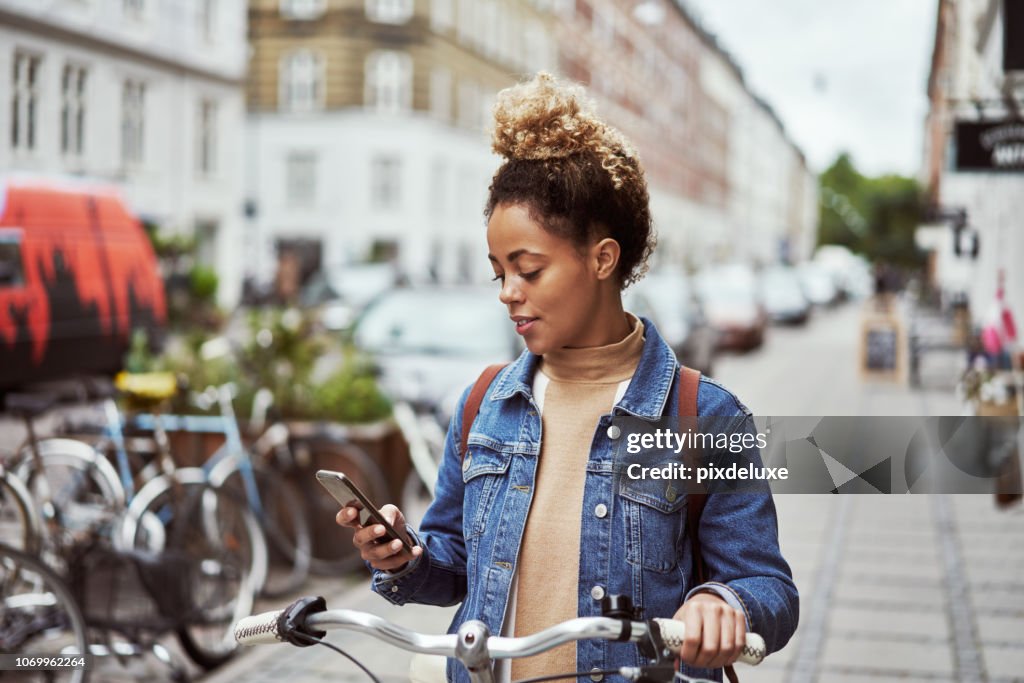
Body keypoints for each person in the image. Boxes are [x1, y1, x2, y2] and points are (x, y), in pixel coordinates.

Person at [337, 72, 798, 683]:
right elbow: (455, 569)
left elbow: (768, 585)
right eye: (498, 270)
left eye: (528, 269)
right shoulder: (485, 403)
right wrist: (402, 557)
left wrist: (724, 603)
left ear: (603, 259)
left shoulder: (701, 416)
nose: (507, 293)